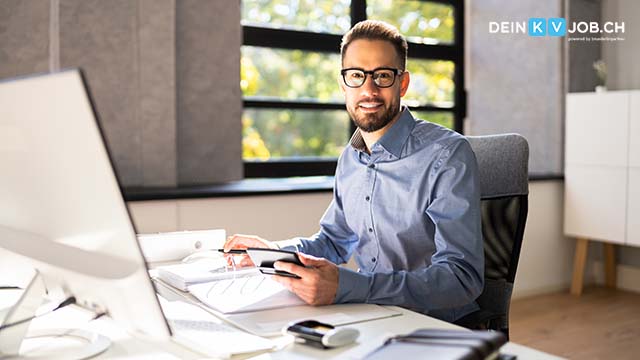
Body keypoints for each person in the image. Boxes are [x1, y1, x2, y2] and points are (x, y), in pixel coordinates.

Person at [224, 20, 484, 323]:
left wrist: (352, 286)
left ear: (402, 83)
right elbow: (334, 241)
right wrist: (272, 251)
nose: (369, 89)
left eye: (383, 76)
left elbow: (462, 278)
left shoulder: (448, 155)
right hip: (369, 315)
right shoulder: (350, 159)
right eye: (357, 76)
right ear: (343, 84)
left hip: (435, 324)